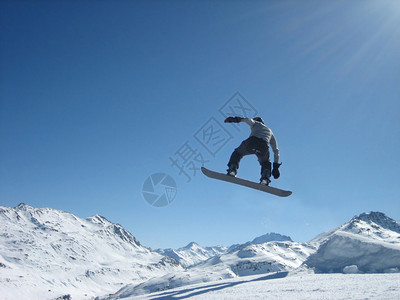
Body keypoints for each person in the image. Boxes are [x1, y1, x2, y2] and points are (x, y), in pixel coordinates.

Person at [224, 116, 281, 185]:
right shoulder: (270, 131)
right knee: (265, 163)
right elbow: (276, 150)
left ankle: (232, 170)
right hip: (263, 147)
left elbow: (247, 120)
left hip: (251, 142)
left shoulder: (256, 123)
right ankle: (265, 178)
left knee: (237, 153)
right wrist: (275, 167)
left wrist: (233, 119)